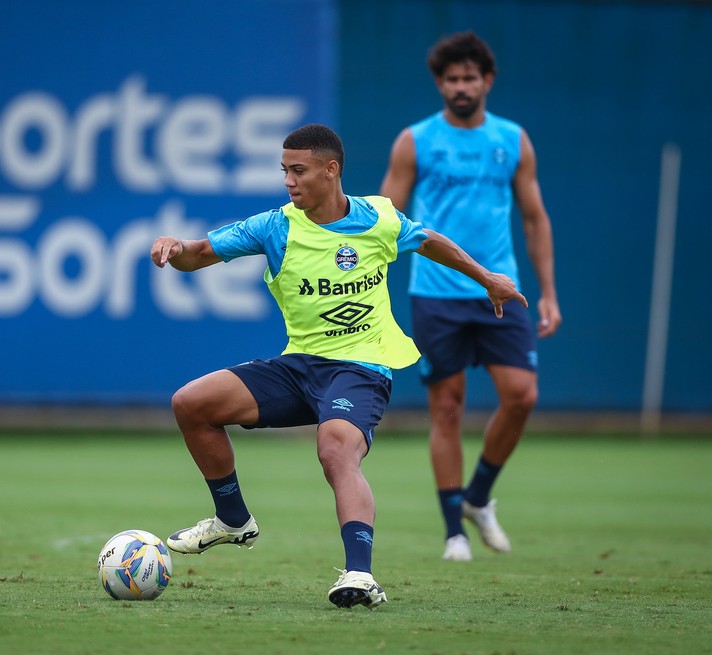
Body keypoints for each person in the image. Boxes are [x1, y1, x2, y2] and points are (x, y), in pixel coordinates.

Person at [150, 123, 527, 608]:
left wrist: (486, 278)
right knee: (191, 403)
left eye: (298, 170)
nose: (288, 181)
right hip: (299, 365)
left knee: (335, 449)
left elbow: (430, 241)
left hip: (361, 368)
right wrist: (173, 247)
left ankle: (360, 575)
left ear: (331, 171)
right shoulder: (275, 226)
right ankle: (233, 520)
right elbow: (198, 255)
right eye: (284, 170)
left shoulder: (378, 220)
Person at [379, 31, 562, 562]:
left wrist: (548, 291)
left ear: (487, 81)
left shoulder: (513, 139)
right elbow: (385, 221)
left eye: (470, 77)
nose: (461, 86)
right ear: (440, 83)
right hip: (436, 294)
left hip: (498, 289)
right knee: (449, 410)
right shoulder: (415, 140)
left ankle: (478, 498)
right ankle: (453, 531)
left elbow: (534, 218)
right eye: (452, 78)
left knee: (522, 395)